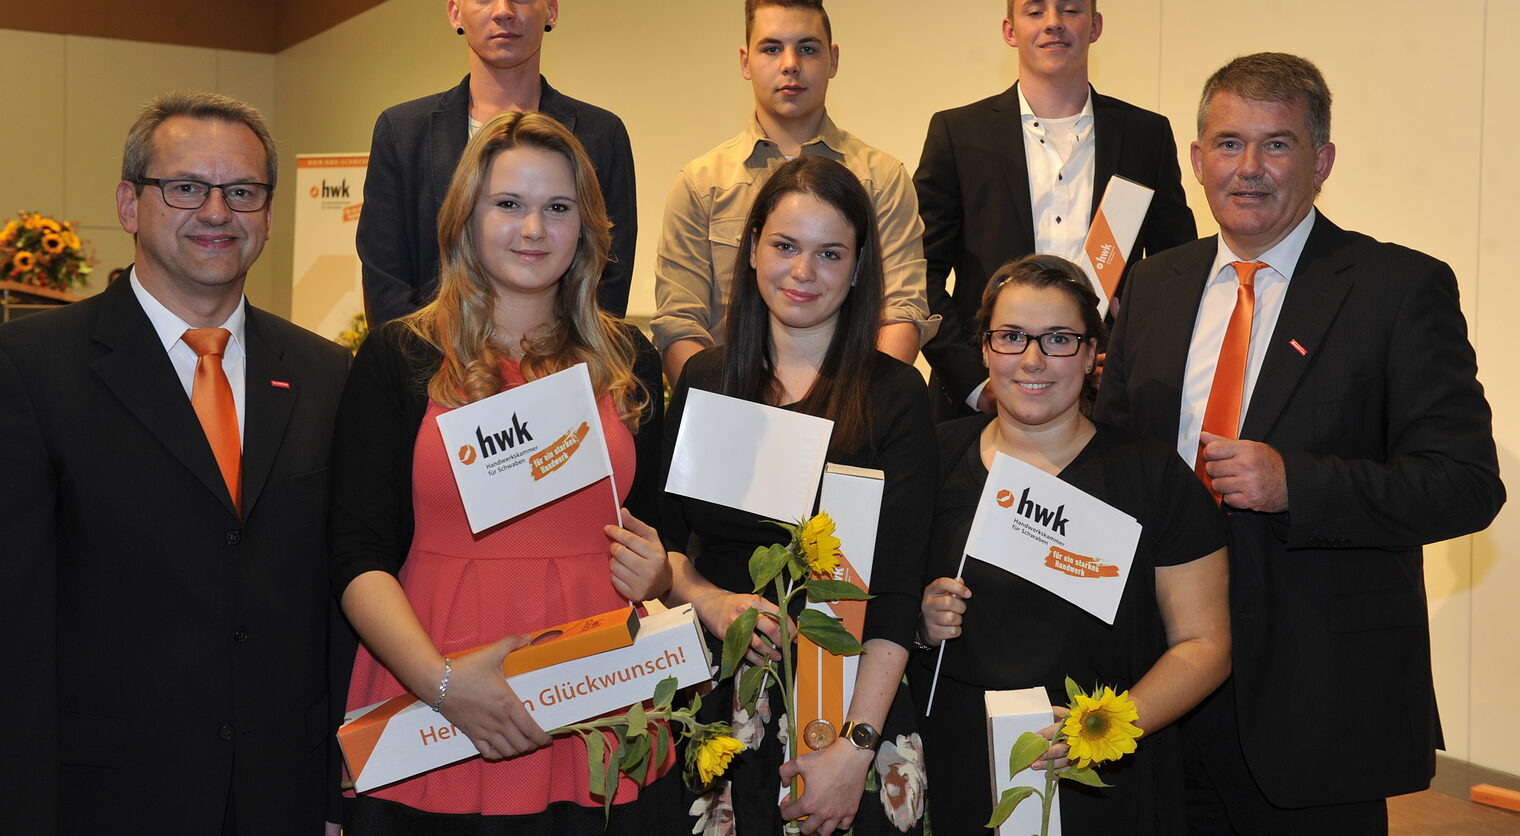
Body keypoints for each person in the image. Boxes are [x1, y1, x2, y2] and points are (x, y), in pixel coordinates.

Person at [1096, 53, 1506, 833]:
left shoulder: (1397, 288)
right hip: (1157, 706)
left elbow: (1466, 483)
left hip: (1317, 710)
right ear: (1195, 159)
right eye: (1227, 144)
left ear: (1321, 162)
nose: (1248, 169)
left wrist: (1298, 486)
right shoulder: (1153, 287)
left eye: (1277, 145)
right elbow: (1114, 470)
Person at [0, 91, 351, 832]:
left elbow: (336, 597)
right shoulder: (31, 368)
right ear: (130, 204)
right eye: (186, 188)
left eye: (244, 192)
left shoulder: (327, 374)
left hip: (281, 796)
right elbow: (17, 618)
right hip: (104, 797)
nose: (218, 213)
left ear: (268, 212)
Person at [331, 111, 674, 831]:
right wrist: (445, 686)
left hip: (600, 695)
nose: (533, 229)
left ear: (587, 228)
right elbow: (355, 555)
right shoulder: (401, 355)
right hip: (435, 693)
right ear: (465, 217)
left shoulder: (630, 362)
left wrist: (662, 570)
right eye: (508, 204)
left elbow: (665, 536)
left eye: (557, 208)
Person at [662, 156, 935, 835]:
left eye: (830, 253)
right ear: (752, 246)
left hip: (850, 710)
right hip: (717, 705)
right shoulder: (704, 379)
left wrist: (857, 748)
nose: (803, 272)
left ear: (859, 265)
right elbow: (660, 548)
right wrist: (711, 601)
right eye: (785, 246)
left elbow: (896, 595)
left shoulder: (896, 398)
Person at [913, 255, 1229, 833]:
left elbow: (1205, 643)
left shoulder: (1152, 476)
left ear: (1090, 354)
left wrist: (1108, 727)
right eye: (1011, 337)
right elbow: (868, 609)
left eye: (1058, 339)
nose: (1032, 360)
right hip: (957, 766)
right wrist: (918, 620)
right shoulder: (930, 462)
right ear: (985, 350)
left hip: (1108, 779)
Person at [914, 0, 1196, 421]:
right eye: (1035, 10)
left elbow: (1177, 271)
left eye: (1070, 7)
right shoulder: (958, 134)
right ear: (1010, 31)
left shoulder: (1146, 135)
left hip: (1106, 403)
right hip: (983, 404)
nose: (1054, 22)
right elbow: (918, 273)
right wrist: (974, 380)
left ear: (1095, 24)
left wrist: (1135, 353)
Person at [654, 0, 936, 387]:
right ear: (745, 61)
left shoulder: (883, 179)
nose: (790, 64)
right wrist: (724, 413)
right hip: (731, 415)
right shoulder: (700, 184)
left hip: (850, 418)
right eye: (771, 48)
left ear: (833, 60)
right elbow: (679, 324)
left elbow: (903, 312)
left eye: (807, 48)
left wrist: (849, 409)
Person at [358, 0, 637, 324]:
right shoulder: (403, 133)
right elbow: (385, 280)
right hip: (430, 371)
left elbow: (609, 277)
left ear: (551, 11)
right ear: (456, 13)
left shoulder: (600, 135)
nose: (503, 10)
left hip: (557, 370)